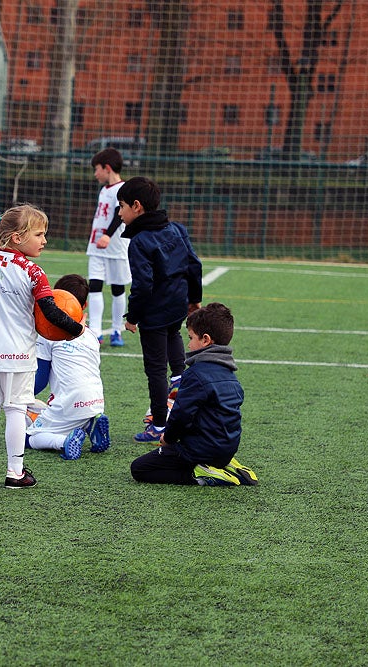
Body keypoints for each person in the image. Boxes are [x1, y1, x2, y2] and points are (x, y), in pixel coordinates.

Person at [0, 204, 85, 489]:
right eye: (40, 234)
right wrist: (77, 330)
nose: (44, 240)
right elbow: (52, 312)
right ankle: (15, 471)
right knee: (16, 411)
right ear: (18, 237)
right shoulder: (33, 271)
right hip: (18, 355)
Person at [130, 303, 258, 487]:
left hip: (199, 450)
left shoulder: (196, 374)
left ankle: (203, 474)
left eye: (190, 338)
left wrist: (167, 439)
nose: (188, 344)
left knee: (140, 468)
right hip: (227, 448)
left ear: (205, 340)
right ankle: (225, 465)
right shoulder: (230, 374)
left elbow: (181, 416)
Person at [118, 176, 203, 443]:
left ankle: (159, 424)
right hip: (177, 304)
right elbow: (194, 264)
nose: (119, 213)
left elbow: (143, 285)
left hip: (154, 312)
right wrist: (194, 299)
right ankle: (179, 377)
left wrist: (132, 317)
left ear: (136, 206)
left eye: (121, 207)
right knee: (174, 336)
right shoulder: (176, 229)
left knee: (155, 370)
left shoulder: (139, 242)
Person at [26, 273, 111, 460]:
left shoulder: (49, 336)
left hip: (69, 404)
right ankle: (89, 424)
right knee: (63, 413)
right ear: (85, 306)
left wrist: (19, 397)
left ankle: (63, 442)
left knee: (27, 437)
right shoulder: (91, 335)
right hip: (96, 403)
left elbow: (40, 380)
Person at [85, 148, 131, 347]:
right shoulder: (104, 190)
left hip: (116, 247)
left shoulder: (123, 189)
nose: (95, 174)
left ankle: (115, 329)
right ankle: (95, 331)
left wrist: (107, 235)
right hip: (96, 247)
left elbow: (117, 215)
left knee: (117, 288)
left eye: (97, 169)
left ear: (107, 168)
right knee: (94, 285)